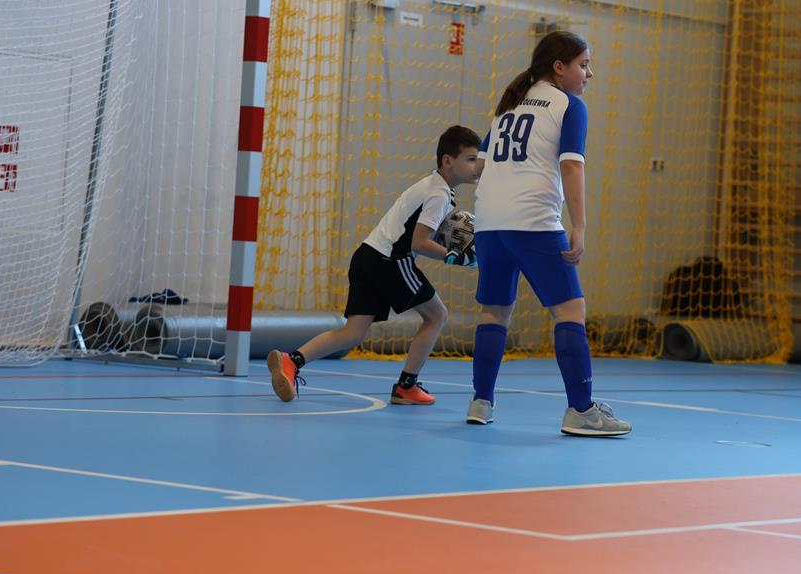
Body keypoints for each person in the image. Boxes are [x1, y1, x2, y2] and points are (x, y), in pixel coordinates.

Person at [466, 30, 630, 436]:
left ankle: (481, 402)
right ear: (559, 67)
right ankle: (581, 410)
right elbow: (571, 166)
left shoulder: (509, 105)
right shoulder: (569, 106)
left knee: (494, 312)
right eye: (584, 65)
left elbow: (478, 167)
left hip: (489, 223)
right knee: (570, 311)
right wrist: (580, 225)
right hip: (534, 222)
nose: (589, 73)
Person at [266, 125, 481, 405]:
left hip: (367, 256)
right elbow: (419, 243)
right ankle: (406, 386)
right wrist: (456, 257)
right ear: (448, 161)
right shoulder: (439, 194)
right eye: (471, 159)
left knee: (353, 332)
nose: (477, 166)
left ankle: (291, 360)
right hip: (389, 261)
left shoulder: (433, 186)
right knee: (437, 315)